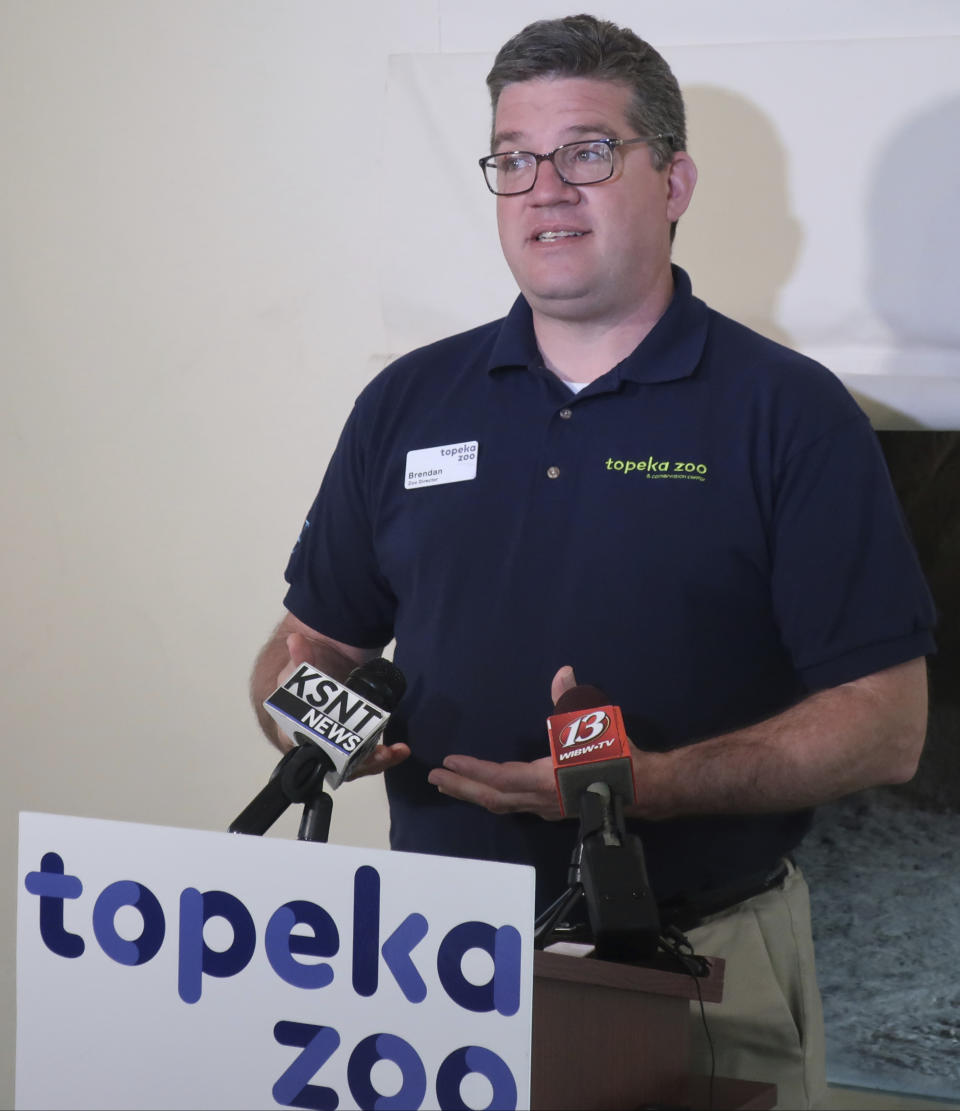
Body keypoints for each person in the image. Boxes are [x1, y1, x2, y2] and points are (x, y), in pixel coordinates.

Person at [250, 14, 935, 1108]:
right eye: (513, 158)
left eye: (587, 152)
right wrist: (318, 722)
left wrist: (642, 790)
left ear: (673, 181)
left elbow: (886, 725)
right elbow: (305, 649)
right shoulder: (408, 402)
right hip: (425, 963)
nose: (544, 190)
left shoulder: (788, 413)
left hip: (692, 967)